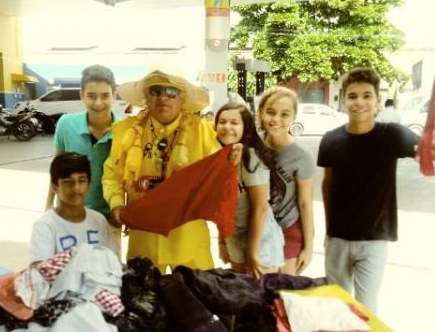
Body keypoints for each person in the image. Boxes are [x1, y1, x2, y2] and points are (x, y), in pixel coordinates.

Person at [317, 67, 435, 313]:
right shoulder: (330, 140)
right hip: (337, 238)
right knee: (337, 308)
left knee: (365, 310)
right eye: (352, 96)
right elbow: (328, 184)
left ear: (377, 101)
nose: (359, 102)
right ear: (344, 100)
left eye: (366, 95)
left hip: (374, 239)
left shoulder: (392, 135)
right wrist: (329, 231)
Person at [102, 70, 224, 272]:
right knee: (144, 298)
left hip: (188, 237)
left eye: (171, 91)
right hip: (143, 236)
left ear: (182, 98)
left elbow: (218, 179)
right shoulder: (126, 131)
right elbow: (112, 175)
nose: (163, 97)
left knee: (193, 298)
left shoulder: (202, 131)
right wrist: (116, 205)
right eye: (155, 90)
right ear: (146, 98)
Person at [215, 102, 285, 278]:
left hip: (260, 239)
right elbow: (220, 205)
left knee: (261, 298)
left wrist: (252, 253)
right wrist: (222, 241)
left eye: (234, 122)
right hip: (233, 236)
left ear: (245, 128)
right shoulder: (218, 158)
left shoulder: (251, 158)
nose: (227, 127)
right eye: (222, 122)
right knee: (244, 296)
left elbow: (261, 208)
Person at [45, 65, 118, 224]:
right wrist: (49, 205)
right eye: (91, 96)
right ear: (82, 96)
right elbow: (56, 169)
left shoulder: (125, 129)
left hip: (107, 218)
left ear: (114, 96)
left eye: (105, 96)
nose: (98, 103)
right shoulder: (66, 124)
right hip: (67, 214)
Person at [257, 86, 315, 276]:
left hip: (289, 230)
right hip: (258, 229)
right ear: (261, 112)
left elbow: (305, 203)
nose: (276, 120)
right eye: (271, 112)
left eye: (285, 114)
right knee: (258, 294)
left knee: (284, 295)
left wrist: (309, 247)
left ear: (293, 118)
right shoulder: (251, 147)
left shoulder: (301, 156)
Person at [31, 152, 120, 263]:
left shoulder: (99, 220)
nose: (76, 188)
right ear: (54, 187)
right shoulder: (45, 226)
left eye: (82, 181)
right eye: (68, 182)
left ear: (89, 185)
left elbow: (113, 262)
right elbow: (40, 273)